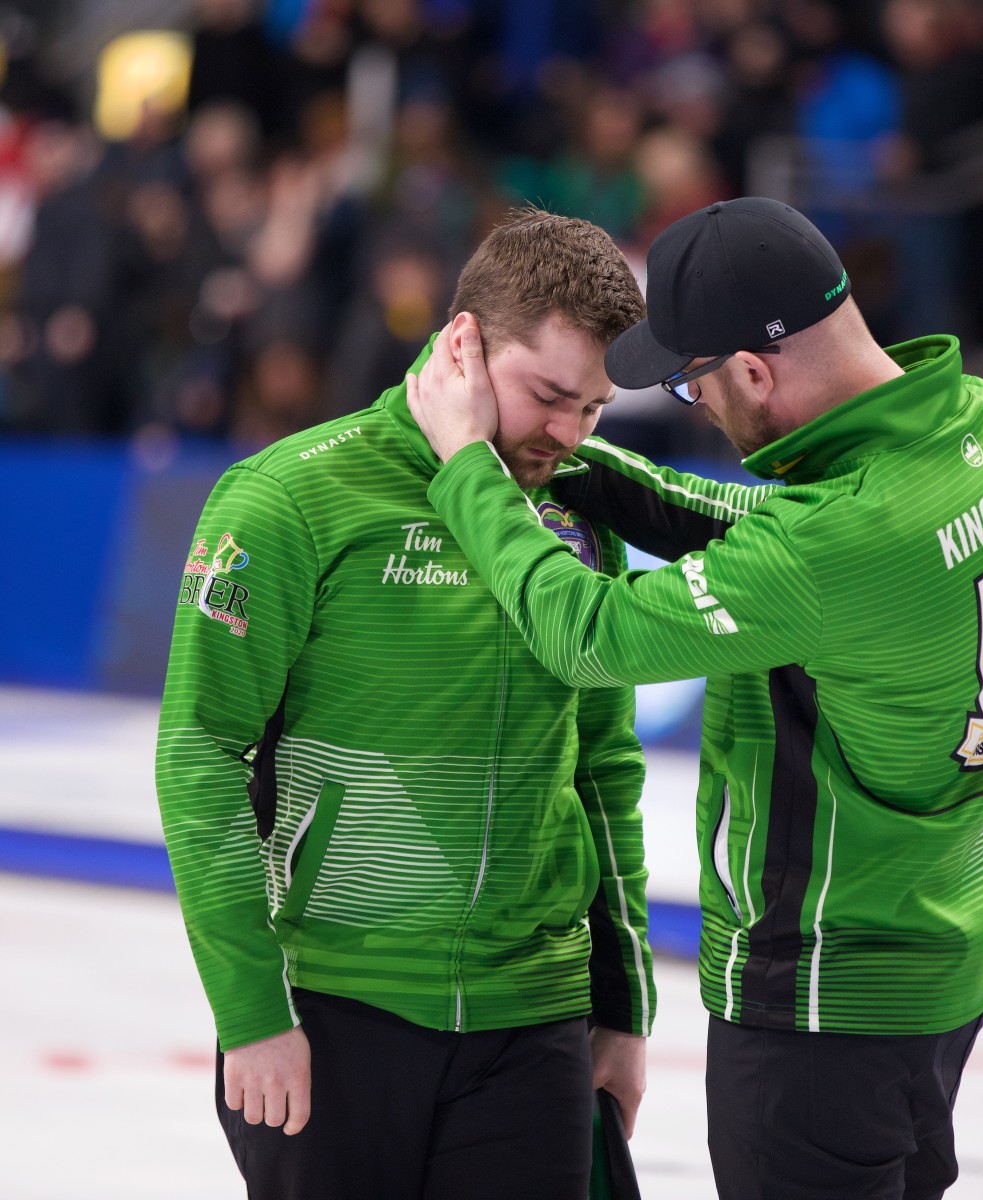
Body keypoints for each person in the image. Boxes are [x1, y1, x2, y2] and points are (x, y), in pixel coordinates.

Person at [407, 196, 983, 1200]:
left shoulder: (840, 545)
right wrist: (579, 462)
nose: (694, 406)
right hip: (942, 955)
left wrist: (465, 463)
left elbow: (585, 632)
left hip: (820, 996)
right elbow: (782, 539)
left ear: (755, 370)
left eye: (692, 382)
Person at [155, 209, 655, 1200]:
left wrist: (621, 1008)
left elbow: (605, 769)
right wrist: (252, 1012)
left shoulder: (579, 506)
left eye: (594, 408)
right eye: (549, 395)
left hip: (535, 1019)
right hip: (336, 1012)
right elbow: (200, 753)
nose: (568, 434)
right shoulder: (291, 499)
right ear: (463, 345)